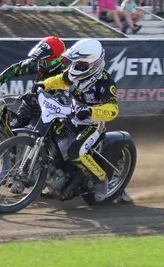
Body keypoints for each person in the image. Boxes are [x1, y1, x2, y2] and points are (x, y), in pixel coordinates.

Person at [37, 39, 120, 197]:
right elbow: (60, 80)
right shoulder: (73, 73)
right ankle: (53, 177)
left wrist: (90, 111)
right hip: (72, 117)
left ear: (94, 64)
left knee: (75, 152)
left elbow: (113, 110)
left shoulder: (105, 83)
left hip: (92, 125)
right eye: (75, 62)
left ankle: (100, 179)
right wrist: (44, 84)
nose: (76, 66)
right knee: (50, 139)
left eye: (81, 64)